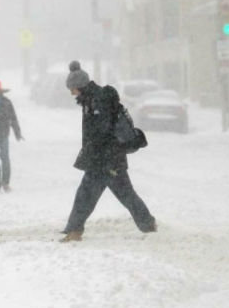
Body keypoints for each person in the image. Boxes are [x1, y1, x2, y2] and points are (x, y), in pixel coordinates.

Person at [60, 61, 157, 242]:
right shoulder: (91, 100)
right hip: (106, 159)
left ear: (79, 86)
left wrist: (96, 154)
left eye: (72, 88)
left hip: (105, 160)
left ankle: (74, 231)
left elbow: (102, 133)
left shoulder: (97, 102)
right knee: (124, 194)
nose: (71, 92)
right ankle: (148, 224)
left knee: (87, 196)